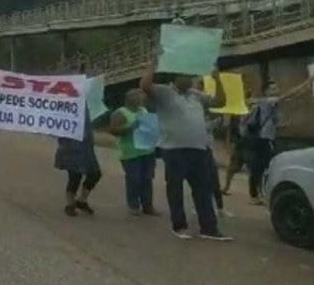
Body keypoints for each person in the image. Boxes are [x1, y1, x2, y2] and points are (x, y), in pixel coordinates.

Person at [140, 56, 232, 241]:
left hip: (199, 150)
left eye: (192, 76)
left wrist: (217, 78)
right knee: (175, 189)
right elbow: (145, 86)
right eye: (186, 76)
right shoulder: (164, 92)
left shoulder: (196, 95)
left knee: (203, 189)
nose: (191, 79)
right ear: (175, 78)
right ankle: (179, 225)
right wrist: (153, 64)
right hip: (174, 150)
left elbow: (220, 102)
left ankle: (209, 228)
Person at [244, 77, 313, 205]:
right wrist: (306, 83)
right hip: (263, 139)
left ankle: (257, 194)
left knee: (261, 166)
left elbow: (288, 100)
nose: (276, 90)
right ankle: (257, 194)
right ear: (266, 92)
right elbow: (288, 95)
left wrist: (283, 125)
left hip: (266, 138)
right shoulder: (267, 101)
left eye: (276, 88)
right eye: (273, 88)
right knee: (263, 166)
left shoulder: (271, 103)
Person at [108, 89, 158, 216]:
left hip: (146, 150)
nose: (141, 98)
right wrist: (130, 128)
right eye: (138, 96)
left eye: (141, 96)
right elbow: (113, 130)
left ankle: (148, 205)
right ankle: (133, 205)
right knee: (134, 179)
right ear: (129, 99)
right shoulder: (120, 113)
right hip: (130, 152)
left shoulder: (143, 111)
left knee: (147, 179)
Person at [55, 108, 101, 216]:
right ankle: (70, 204)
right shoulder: (65, 109)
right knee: (75, 176)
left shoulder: (84, 108)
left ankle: (81, 200)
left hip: (85, 147)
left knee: (95, 174)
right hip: (71, 147)